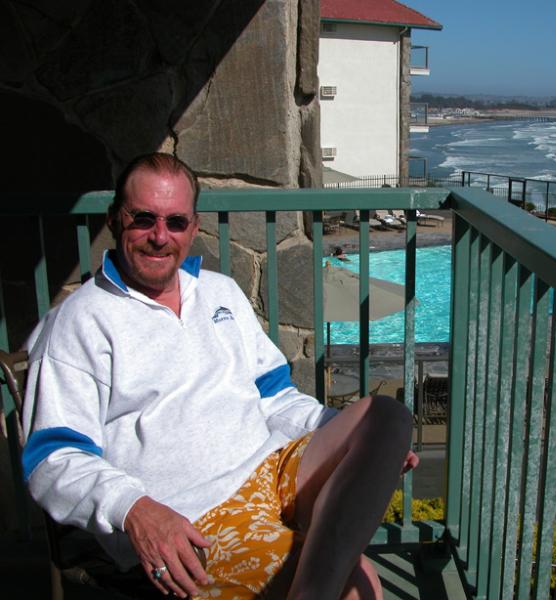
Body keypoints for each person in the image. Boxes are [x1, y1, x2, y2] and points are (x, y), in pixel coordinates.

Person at [22, 153, 418, 600]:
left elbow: (276, 399)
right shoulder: (80, 322)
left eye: (175, 222)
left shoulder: (218, 291)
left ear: (193, 228)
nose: (159, 236)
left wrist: (357, 444)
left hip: (273, 468)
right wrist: (134, 509)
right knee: (356, 586)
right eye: (143, 219)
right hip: (196, 515)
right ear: (116, 220)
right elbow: (52, 459)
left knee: (385, 418)